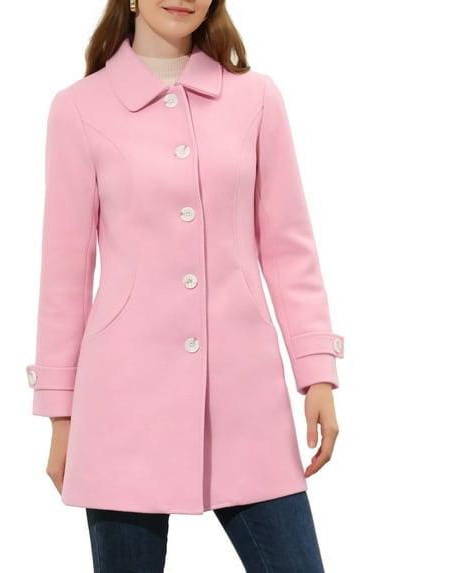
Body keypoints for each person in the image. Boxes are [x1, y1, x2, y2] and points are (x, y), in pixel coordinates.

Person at [25, 1, 345, 571]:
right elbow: (64, 276)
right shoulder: (78, 109)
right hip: (121, 406)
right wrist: (61, 414)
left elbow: (288, 247)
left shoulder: (257, 99)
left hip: (246, 398)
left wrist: (316, 371)